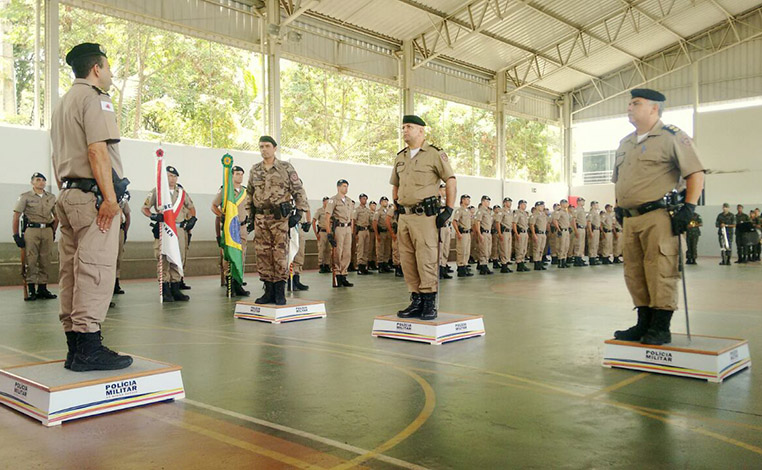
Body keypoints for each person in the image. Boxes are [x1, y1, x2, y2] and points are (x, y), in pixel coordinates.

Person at [50, 42, 132, 371]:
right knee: (95, 269)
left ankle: (74, 347)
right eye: (109, 68)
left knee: (71, 270)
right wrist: (110, 200)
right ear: (96, 69)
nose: (111, 74)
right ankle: (89, 347)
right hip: (91, 199)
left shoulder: (63, 103)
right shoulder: (95, 98)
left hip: (67, 194)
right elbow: (97, 150)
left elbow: (57, 155)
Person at [611, 88, 705, 346]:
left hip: (659, 216)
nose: (629, 107)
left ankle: (661, 327)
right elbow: (619, 181)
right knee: (634, 271)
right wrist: (619, 206)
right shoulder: (625, 142)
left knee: (661, 269)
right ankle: (643, 323)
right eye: (629, 103)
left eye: (636, 103)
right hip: (630, 218)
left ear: (654, 108)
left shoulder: (672, 137)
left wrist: (689, 207)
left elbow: (695, 173)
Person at [392, 115, 456, 320]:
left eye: (409, 127)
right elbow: (395, 184)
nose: (404, 130)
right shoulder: (400, 156)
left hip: (424, 217)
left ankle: (429, 301)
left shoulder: (434, 154)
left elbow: (451, 180)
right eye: (403, 127)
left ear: (421, 131)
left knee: (426, 258)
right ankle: (416, 299)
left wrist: (449, 209)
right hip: (404, 216)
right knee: (407, 259)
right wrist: (396, 207)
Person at [248, 135, 309, 304]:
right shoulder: (255, 170)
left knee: (279, 253)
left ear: (274, 148)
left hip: (279, 219)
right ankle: (268, 291)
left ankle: (280, 291)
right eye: (261, 146)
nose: (264, 149)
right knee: (263, 254)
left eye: (267, 146)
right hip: (261, 218)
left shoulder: (286, 168)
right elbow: (249, 194)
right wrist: (249, 216)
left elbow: (299, 191)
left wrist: (299, 213)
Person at [142, 166, 196, 302]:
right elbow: (145, 208)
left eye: (174, 176)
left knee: (178, 258)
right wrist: (154, 216)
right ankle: (165, 288)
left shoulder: (182, 193)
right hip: (164, 229)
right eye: (169, 176)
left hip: (179, 229)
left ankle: (176, 288)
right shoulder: (157, 191)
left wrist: (191, 219)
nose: (172, 179)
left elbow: (191, 207)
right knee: (164, 258)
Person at [13, 172, 58, 301]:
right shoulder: (25, 197)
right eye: (38, 180)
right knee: (31, 259)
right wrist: (16, 235)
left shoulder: (51, 197)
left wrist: (53, 231)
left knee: (45, 259)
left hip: (47, 230)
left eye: (43, 180)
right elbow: (16, 216)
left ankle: (42, 288)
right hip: (32, 230)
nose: (41, 182)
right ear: (32, 182)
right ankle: (32, 289)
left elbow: (57, 216)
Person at [212, 165, 249, 296]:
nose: (239, 176)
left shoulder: (246, 192)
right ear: (231, 175)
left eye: (241, 174)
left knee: (241, 255)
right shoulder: (225, 190)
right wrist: (221, 215)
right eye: (237, 174)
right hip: (230, 228)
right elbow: (213, 206)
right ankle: (229, 284)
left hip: (242, 228)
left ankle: (238, 284)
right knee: (229, 255)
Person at [324, 179, 355, 287]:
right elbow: (327, 217)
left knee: (347, 253)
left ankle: (344, 274)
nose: (345, 188)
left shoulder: (349, 201)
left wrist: (352, 231)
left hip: (347, 228)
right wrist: (329, 233)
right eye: (343, 186)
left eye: (347, 186)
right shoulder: (333, 200)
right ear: (338, 187)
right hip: (339, 228)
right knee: (338, 252)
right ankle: (337, 274)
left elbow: (351, 218)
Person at [289, 206, 311, 291]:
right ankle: (287, 279)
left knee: (300, 253)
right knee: (288, 255)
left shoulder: (300, 195)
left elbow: (307, 208)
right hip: (286, 226)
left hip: (298, 226)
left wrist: (308, 222)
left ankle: (296, 279)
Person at [453, 195, 474, 277]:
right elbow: (454, 222)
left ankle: (465, 266)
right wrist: (458, 232)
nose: (469, 201)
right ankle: (461, 268)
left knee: (466, 252)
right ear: (462, 200)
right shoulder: (459, 210)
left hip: (468, 233)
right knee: (461, 251)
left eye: (469, 199)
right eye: (467, 199)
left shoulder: (468, 211)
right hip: (462, 233)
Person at [114, 194, 131, 294]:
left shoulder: (121, 199)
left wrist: (125, 232)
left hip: (119, 230)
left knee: (118, 257)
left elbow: (128, 216)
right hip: (105, 230)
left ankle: (116, 282)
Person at [353, 193, 373, 275]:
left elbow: (371, 221)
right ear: (360, 200)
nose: (364, 200)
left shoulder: (368, 210)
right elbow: (354, 221)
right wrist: (355, 233)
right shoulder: (357, 210)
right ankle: (360, 268)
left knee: (366, 249)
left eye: (365, 198)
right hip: (360, 231)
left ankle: (364, 266)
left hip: (367, 230)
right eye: (363, 198)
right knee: (360, 249)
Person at [474, 196, 494, 275]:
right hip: (484, 233)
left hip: (489, 233)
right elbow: (477, 222)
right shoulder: (480, 211)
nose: (488, 203)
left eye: (489, 201)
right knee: (483, 250)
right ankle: (483, 266)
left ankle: (485, 264)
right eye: (487, 201)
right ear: (483, 202)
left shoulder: (488, 211)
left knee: (488, 250)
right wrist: (479, 234)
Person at [373, 196, 393, 273]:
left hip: (388, 232)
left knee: (387, 249)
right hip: (381, 232)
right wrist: (377, 234)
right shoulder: (378, 211)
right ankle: (380, 265)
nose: (385, 202)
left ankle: (386, 264)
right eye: (384, 201)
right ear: (380, 202)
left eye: (386, 201)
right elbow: (374, 223)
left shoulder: (388, 211)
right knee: (380, 249)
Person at [438, 184, 453, 279]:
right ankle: (439, 269)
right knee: (440, 248)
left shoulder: (446, 201)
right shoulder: (437, 201)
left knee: (446, 248)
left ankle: (443, 267)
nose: (444, 192)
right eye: (443, 190)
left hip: (447, 226)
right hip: (441, 227)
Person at [313, 197, 331, 273]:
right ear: (323, 202)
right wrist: (316, 233)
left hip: (329, 232)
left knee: (328, 250)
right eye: (326, 202)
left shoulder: (331, 211)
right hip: (322, 232)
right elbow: (313, 221)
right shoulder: (320, 211)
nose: (327, 203)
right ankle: (321, 265)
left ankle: (327, 265)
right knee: (321, 249)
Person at [552, 199, 571, 269]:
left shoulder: (566, 212)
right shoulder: (559, 212)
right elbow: (555, 220)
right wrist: (558, 228)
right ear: (562, 204)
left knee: (566, 246)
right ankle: (560, 261)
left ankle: (564, 261)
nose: (567, 204)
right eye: (566, 203)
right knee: (561, 246)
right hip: (562, 230)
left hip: (566, 231)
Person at [496, 197, 514, 273]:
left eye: (510, 202)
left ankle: (506, 264)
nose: (510, 204)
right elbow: (498, 223)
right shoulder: (501, 211)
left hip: (509, 232)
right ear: (504, 203)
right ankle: (503, 265)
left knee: (508, 249)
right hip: (504, 232)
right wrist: (499, 233)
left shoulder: (510, 212)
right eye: (508, 202)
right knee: (504, 248)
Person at [530, 201, 548, 271]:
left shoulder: (543, 214)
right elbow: (532, 225)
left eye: (543, 206)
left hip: (543, 234)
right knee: (536, 249)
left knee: (541, 249)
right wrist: (534, 234)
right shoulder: (535, 214)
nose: (543, 207)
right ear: (537, 207)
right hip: (538, 234)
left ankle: (540, 262)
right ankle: (536, 263)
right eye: (541, 206)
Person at [513, 200, 530, 272]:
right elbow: (514, 224)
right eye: (523, 204)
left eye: (525, 204)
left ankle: (522, 262)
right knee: (519, 248)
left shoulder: (525, 214)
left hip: (525, 232)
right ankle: (519, 264)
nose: (525, 206)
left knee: (524, 249)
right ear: (520, 205)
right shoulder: (517, 213)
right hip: (520, 233)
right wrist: (516, 233)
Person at [572, 198, 588, 266]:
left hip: (583, 228)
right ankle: (577, 259)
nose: (583, 202)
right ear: (578, 202)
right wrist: (575, 230)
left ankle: (580, 257)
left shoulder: (582, 209)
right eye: (582, 201)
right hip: (579, 228)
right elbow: (573, 220)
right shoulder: (576, 209)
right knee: (578, 244)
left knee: (582, 244)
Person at [586, 201, 601, 265]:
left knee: (595, 244)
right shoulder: (591, 212)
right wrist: (590, 232)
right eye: (596, 205)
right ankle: (592, 259)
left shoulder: (596, 212)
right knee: (592, 244)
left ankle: (594, 257)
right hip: (593, 230)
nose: (597, 206)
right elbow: (589, 222)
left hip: (597, 230)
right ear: (593, 205)